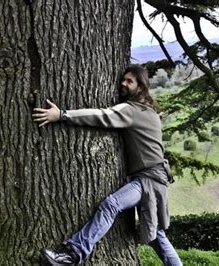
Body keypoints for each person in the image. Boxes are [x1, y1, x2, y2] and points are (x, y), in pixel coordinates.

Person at [32, 65, 182, 265]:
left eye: (130, 81)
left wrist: (62, 115)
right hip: (155, 178)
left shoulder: (132, 110)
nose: (123, 84)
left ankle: (73, 253)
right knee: (156, 236)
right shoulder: (150, 111)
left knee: (111, 205)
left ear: (141, 87)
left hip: (148, 180)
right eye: (123, 79)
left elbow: (102, 115)